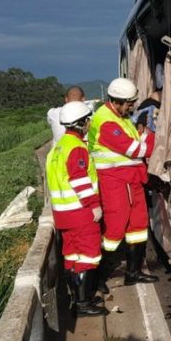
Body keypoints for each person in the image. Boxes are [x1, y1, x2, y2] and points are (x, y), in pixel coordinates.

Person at [88, 77, 158, 286]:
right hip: (115, 182)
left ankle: (133, 272)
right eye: (129, 103)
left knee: (138, 225)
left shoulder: (121, 117)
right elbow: (136, 149)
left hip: (131, 180)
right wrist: (157, 137)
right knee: (114, 230)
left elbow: (136, 140)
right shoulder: (107, 122)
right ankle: (98, 277)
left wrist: (145, 135)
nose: (132, 107)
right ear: (116, 101)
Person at [45, 101, 108, 317]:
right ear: (81, 123)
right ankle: (83, 303)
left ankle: (76, 299)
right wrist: (94, 205)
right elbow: (80, 180)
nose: (89, 124)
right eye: (87, 120)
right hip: (80, 213)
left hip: (63, 215)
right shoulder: (77, 148)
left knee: (71, 256)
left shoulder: (57, 148)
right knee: (88, 256)